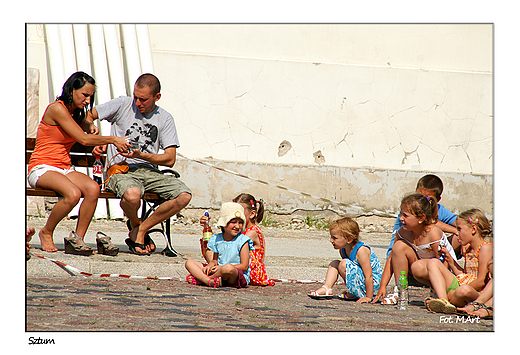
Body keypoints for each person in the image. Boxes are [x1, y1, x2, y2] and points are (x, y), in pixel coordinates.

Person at [27, 72, 131, 254]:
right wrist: (113, 139)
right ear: (71, 89)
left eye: (90, 96)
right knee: (73, 194)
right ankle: (46, 231)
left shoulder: (74, 114)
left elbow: (83, 127)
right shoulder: (57, 109)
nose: (88, 100)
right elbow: (83, 139)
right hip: (42, 167)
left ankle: (77, 239)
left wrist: (90, 126)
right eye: (84, 94)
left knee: (93, 189)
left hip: (64, 167)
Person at [90, 73, 192, 255]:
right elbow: (89, 115)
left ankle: (141, 230)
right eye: (136, 97)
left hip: (149, 171)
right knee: (132, 194)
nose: (137, 103)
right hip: (121, 169)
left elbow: (170, 158)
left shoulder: (165, 118)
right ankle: (136, 225)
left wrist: (143, 156)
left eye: (143, 99)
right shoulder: (123, 104)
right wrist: (96, 137)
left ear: (157, 97)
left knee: (184, 195)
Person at [374, 174, 458, 304]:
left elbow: (444, 262)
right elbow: (391, 257)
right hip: (421, 268)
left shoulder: (433, 233)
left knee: (425, 265)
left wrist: (441, 287)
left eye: (405, 215)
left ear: (421, 218)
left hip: (445, 275)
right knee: (399, 247)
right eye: (401, 214)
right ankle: (400, 291)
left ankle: (438, 293)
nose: (401, 218)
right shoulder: (402, 232)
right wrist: (382, 286)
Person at [425, 209, 493, 312]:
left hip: (477, 292)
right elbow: (465, 275)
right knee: (433, 262)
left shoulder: (485, 248)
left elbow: (481, 281)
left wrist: (457, 290)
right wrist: (451, 261)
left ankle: (449, 298)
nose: (457, 233)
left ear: (473, 229)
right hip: (464, 286)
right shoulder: (469, 248)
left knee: (463, 290)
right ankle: (444, 301)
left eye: (460, 229)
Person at [308, 217, 383, 303]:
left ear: (349, 239)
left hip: (372, 286)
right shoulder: (343, 249)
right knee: (335, 263)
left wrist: (369, 297)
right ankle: (327, 287)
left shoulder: (361, 250)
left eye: (334, 238)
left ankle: (361, 294)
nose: (331, 240)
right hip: (362, 282)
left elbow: (369, 275)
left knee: (344, 264)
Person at [185, 202, 254, 288]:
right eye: (233, 222)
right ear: (224, 223)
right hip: (219, 271)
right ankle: (209, 281)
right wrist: (211, 265)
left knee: (228, 268)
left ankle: (204, 279)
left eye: (240, 222)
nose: (237, 226)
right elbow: (215, 260)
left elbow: (244, 266)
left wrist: (221, 267)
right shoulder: (217, 238)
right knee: (189, 262)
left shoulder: (243, 241)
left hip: (235, 275)